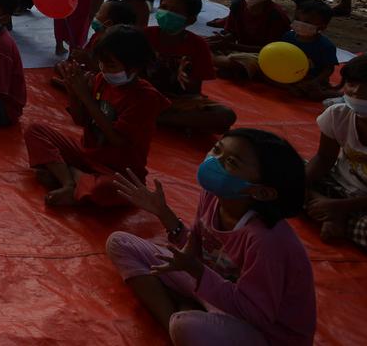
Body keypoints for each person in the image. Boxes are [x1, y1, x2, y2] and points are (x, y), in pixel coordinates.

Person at [107, 130, 316, 345]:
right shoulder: (213, 195)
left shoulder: (268, 241)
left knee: (186, 326)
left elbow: (256, 314)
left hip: (265, 333)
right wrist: (163, 213)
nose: (214, 162)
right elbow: (198, 245)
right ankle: (177, 320)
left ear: (262, 192)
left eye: (231, 162)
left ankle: (186, 318)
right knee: (120, 243)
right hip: (216, 288)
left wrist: (195, 270)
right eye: (217, 150)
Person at [27, 25, 168, 207]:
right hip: (87, 155)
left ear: (135, 67)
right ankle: (70, 183)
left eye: (110, 65)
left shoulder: (146, 97)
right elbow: (81, 120)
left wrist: (85, 97)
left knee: (105, 190)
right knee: (35, 131)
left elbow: (117, 139)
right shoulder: (102, 79)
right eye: (101, 63)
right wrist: (73, 91)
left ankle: (68, 174)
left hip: (118, 169)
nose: (104, 69)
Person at [146, 0, 237, 134]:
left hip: (176, 100)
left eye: (175, 11)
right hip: (143, 95)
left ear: (190, 19)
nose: (167, 13)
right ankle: (165, 118)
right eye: (164, 7)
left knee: (225, 116)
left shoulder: (197, 46)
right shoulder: (144, 36)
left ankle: (156, 118)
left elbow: (193, 91)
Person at [305, 53, 367, 249]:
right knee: (280, 171)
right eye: (351, 83)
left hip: (362, 203)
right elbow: (324, 159)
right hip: (335, 185)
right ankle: (327, 211)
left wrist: (340, 208)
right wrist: (298, 184)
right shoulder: (338, 114)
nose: (356, 92)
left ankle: (328, 213)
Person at [209, 0, 290, 80]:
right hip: (237, 49)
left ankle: (218, 63)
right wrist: (222, 39)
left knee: (246, 61)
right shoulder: (238, 6)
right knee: (202, 42)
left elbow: (270, 49)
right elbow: (231, 33)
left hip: (262, 55)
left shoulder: (276, 16)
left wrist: (230, 45)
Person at [277, 0, 340, 100]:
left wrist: (315, 81)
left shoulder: (326, 46)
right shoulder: (288, 37)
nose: (300, 23)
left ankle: (336, 95)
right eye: (297, 19)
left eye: (307, 22)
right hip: (289, 75)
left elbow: (328, 69)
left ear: (322, 27)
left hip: (311, 78)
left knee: (314, 94)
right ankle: (291, 88)